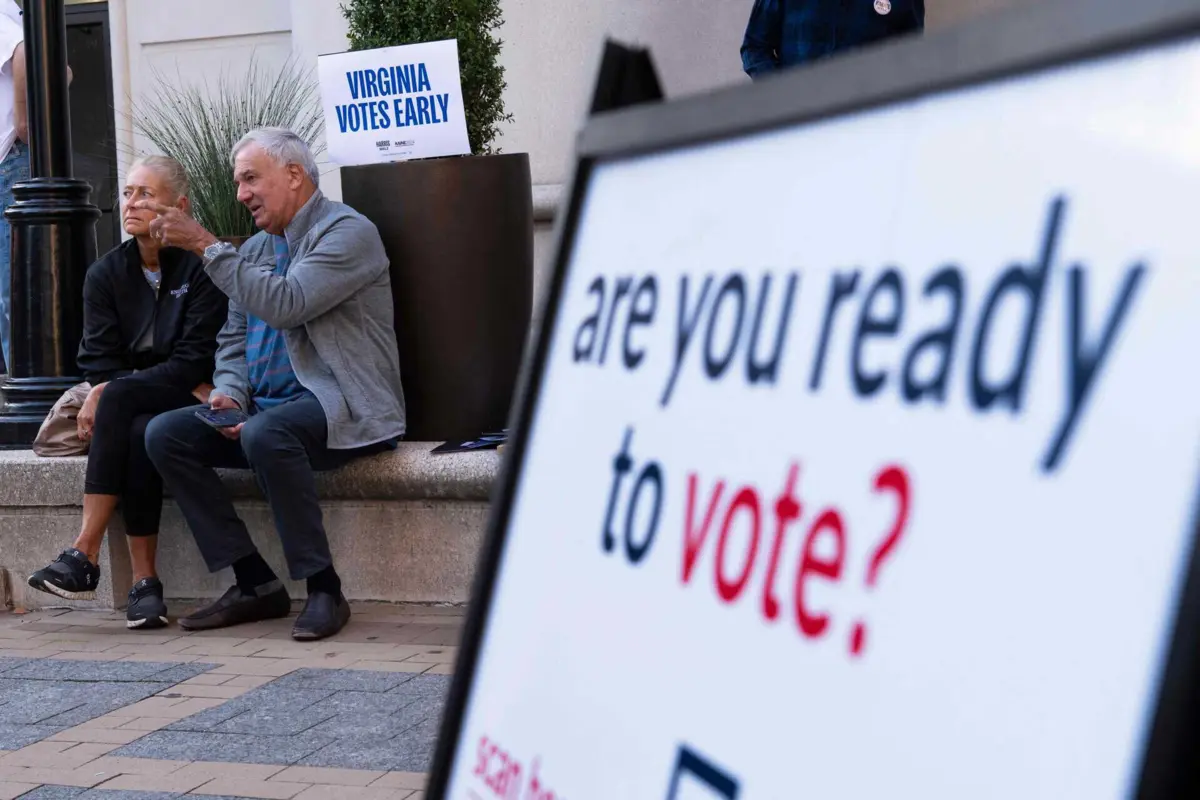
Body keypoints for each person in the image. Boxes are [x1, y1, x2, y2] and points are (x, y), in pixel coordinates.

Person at [137, 127, 406, 641]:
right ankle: (254, 582)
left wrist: (204, 244)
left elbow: (289, 303)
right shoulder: (255, 249)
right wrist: (229, 394)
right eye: (238, 182)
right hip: (265, 409)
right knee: (163, 434)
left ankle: (325, 588)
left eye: (250, 179)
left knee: (266, 434)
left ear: (294, 175)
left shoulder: (347, 233)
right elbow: (233, 340)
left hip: (340, 405)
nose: (241, 194)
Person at [27, 156, 228, 628]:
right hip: (143, 400)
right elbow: (99, 358)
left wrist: (112, 388)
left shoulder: (201, 268)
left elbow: (194, 361)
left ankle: (84, 552)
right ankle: (144, 583)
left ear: (178, 206)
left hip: (195, 395)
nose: (131, 203)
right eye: (127, 193)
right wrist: (109, 386)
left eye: (146, 194)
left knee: (121, 402)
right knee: (136, 426)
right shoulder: (106, 273)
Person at [740, 0, 924, 80]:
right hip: (798, 129)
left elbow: (912, 58)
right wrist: (781, 95)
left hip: (868, 127)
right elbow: (755, 47)